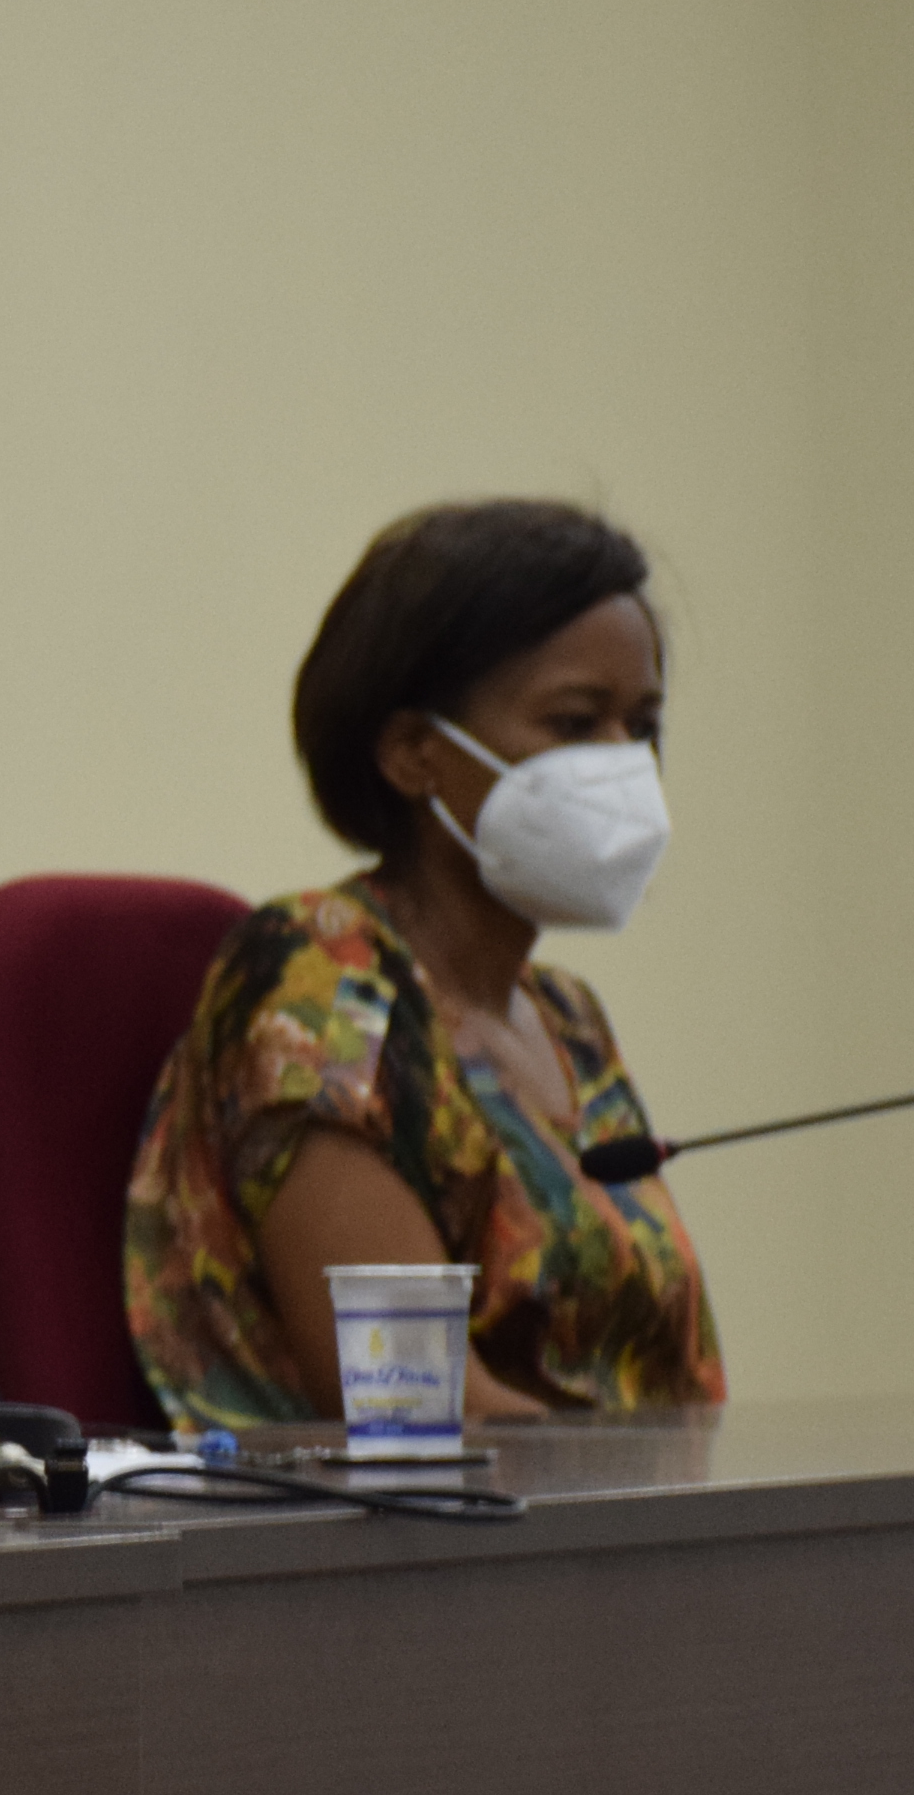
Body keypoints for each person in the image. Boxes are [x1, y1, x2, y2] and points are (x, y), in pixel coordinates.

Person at [122, 498, 722, 1436]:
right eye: (574, 722)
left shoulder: (567, 1018)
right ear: (413, 755)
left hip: (619, 1515)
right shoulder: (324, 980)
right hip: (420, 1526)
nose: (623, 763)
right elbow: (410, 1406)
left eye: (642, 725)